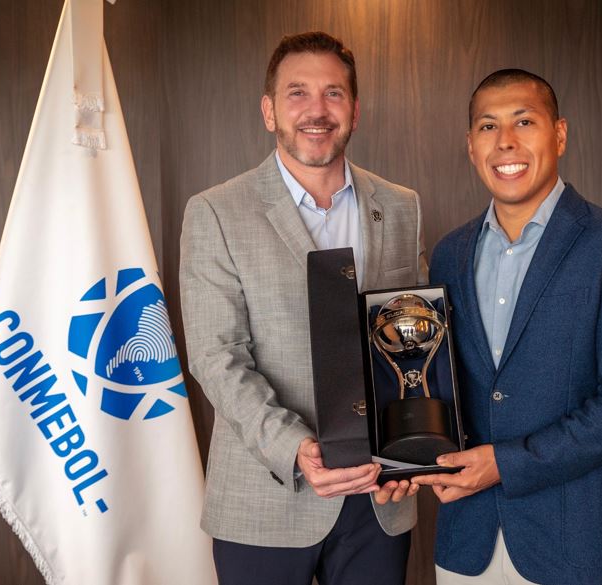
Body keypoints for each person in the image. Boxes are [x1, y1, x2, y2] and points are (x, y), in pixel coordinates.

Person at [180, 31, 426, 585]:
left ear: (355, 111)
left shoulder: (400, 206)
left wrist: (413, 449)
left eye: (333, 94)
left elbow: (413, 341)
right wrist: (296, 449)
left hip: (378, 499)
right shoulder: (216, 212)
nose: (317, 110)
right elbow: (217, 357)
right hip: (267, 498)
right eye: (297, 93)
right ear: (269, 111)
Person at [415, 69, 602, 585]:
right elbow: (443, 388)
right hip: (468, 542)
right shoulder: (448, 254)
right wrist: (402, 458)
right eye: (487, 127)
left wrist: (508, 463)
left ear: (559, 134)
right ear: (470, 146)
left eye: (524, 121)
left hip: (581, 544)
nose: (505, 141)